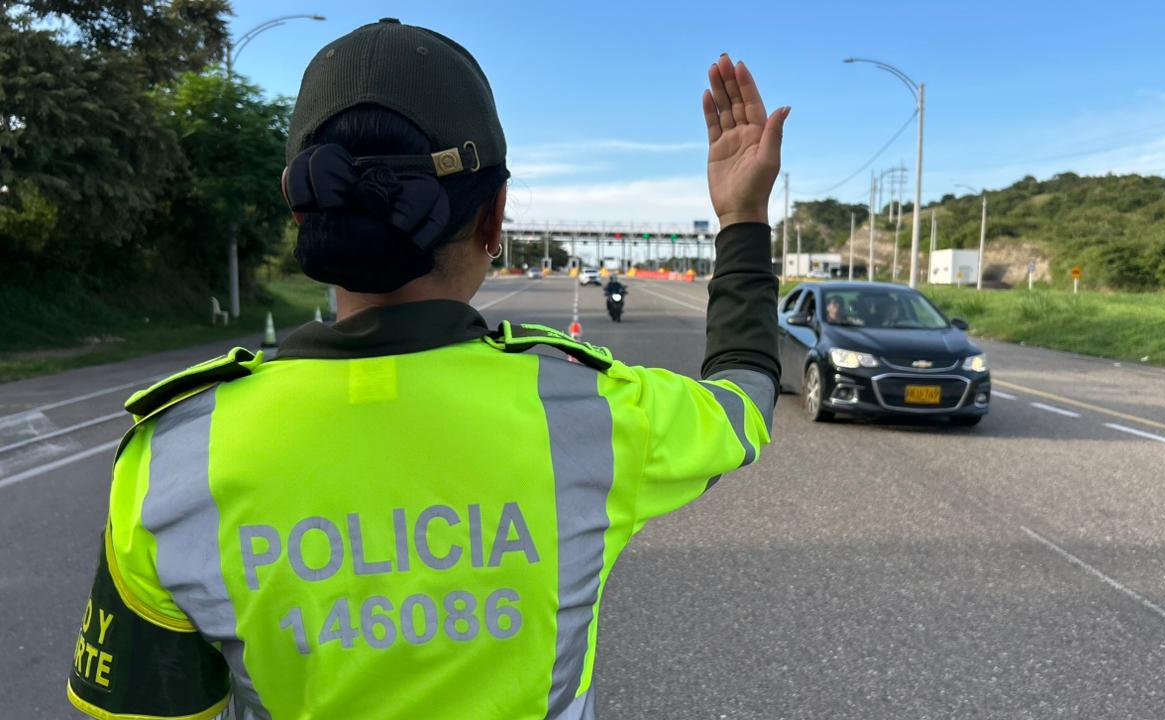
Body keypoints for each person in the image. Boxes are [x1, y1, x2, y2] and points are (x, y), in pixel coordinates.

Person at [67, 19, 788, 720]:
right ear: (494, 216)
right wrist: (743, 220)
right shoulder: (594, 415)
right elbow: (743, 403)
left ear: (303, 211)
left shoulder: (170, 459)